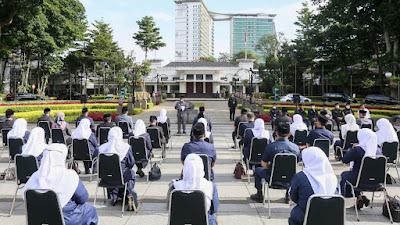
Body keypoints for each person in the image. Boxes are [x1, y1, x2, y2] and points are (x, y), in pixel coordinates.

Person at [22, 144, 98, 225]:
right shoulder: (69, 175)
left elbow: (25, 196)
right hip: (65, 218)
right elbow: (83, 198)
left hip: (38, 217)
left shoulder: (35, 176)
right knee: (90, 209)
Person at [250, 116, 301, 203]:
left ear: (276, 133)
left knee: (258, 170)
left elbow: (263, 163)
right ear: (289, 134)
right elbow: (296, 164)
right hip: (290, 178)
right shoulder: (295, 147)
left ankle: (259, 193)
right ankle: (288, 194)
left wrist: (272, 169)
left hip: (272, 178)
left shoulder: (271, 146)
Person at [289, 147, 338, 225]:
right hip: (330, 219)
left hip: (305, 218)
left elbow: (293, 197)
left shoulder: (300, 176)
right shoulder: (333, 178)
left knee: (293, 216)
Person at [340, 129, 383, 209]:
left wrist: (351, 149)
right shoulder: (379, 152)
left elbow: (344, 160)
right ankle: (359, 196)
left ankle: (354, 196)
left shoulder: (357, 150)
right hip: (376, 183)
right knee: (356, 175)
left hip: (359, 181)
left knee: (345, 175)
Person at [172, 154, 219, 225]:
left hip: (179, 221)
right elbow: (215, 208)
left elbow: (170, 207)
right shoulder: (210, 186)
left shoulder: (175, 186)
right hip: (204, 221)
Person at [99, 127, 136, 209]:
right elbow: (131, 163)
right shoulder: (126, 147)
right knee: (131, 173)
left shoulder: (102, 148)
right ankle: (126, 195)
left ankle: (113, 196)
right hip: (121, 178)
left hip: (105, 179)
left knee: (111, 172)